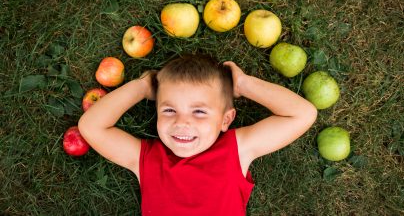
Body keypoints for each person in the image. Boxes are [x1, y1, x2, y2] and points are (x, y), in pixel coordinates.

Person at [78, 54, 317, 215]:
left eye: (199, 112)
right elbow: (90, 127)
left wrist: (244, 85)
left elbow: (302, 114)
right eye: (169, 109)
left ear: (226, 119)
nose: (182, 122)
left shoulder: (236, 150)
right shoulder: (147, 159)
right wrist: (141, 87)